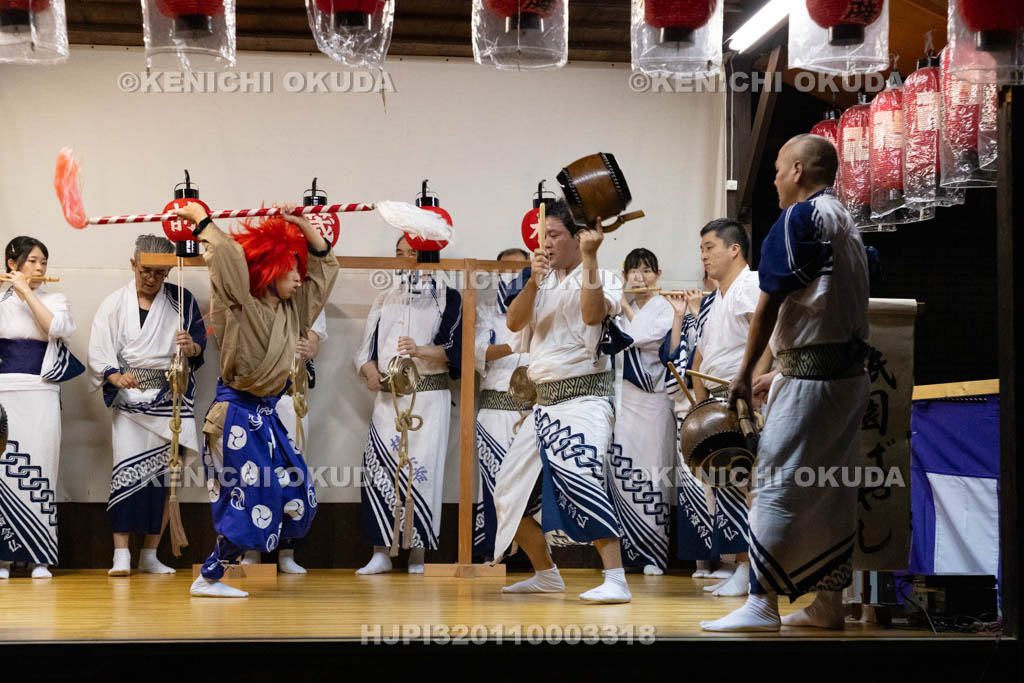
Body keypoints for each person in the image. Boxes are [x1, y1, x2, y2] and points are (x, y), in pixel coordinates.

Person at [701, 134, 870, 631]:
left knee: (770, 483)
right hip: (844, 378)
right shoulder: (845, 221)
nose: (774, 178)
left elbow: (771, 302)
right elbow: (831, 309)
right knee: (832, 489)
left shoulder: (801, 217)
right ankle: (828, 604)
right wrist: (782, 371)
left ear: (798, 170)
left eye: (778, 168)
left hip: (813, 385)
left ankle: (762, 603)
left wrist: (744, 373)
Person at [174, 201, 339, 598]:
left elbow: (323, 270)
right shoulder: (238, 305)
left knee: (297, 489)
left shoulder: (293, 311)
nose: (299, 278)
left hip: (264, 417)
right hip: (233, 415)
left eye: (298, 270)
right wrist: (201, 221)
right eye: (290, 270)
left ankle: (212, 575)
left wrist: (302, 224)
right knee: (252, 496)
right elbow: (229, 257)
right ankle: (210, 578)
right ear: (269, 270)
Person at [499, 199, 631, 603]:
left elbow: (592, 316)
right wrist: (533, 282)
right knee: (508, 492)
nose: (546, 243)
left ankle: (616, 579)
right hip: (543, 403)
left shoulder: (603, 275)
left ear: (579, 238)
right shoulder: (539, 279)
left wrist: (591, 258)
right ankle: (546, 574)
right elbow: (513, 322)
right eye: (542, 236)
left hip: (586, 398)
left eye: (554, 235)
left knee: (581, 477)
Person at [88, 234, 207, 577]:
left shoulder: (181, 300)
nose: (151, 279)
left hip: (171, 398)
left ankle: (151, 554)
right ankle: (121, 553)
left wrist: (191, 347)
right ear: (133, 264)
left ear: (169, 272)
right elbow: (99, 349)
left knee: (165, 481)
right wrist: (114, 376)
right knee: (126, 474)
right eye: (145, 271)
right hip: (129, 400)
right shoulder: (114, 303)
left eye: (159, 273)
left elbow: (199, 346)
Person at [354, 236, 462, 575]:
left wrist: (420, 350)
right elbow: (365, 350)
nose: (402, 259)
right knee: (378, 469)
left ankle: (418, 552)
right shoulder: (385, 297)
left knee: (422, 472)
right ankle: (380, 552)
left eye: (411, 253)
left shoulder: (449, 297)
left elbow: (456, 350)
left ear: (428, 255)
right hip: (389, 398)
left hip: (428, 398)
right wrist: (370, 372)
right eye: (398, 253)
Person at [687, 219, 773, 597]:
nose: (704, 256)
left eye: (710, 247)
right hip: (722, 398)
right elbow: (703, 357)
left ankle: (749, 569)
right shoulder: (719, 297)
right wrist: (701, 403)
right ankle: (741, 566)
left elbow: (767, 333)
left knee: (746, 483)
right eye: (701, 250)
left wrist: (754, 381)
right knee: (729, 485)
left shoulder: (750, 284)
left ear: (734, 249)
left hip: (744, 396)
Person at [0, 237, 82, 580]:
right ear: (12, 264)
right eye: (32, 261)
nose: (39, 268)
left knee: (41, 467)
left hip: (41, 390)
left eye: (43, 262)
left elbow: (56, 328)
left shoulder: (55, 299)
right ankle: (3, 558)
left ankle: (40, 557)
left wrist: (26, 292)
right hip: (4, 392)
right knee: (3, 470)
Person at [605, 248, 675, 575]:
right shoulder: (621, 308)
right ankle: (625, 554)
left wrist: (623, 306)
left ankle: (654, 555)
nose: (640, 277)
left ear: (658, 275)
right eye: (634, 270)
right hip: (623, 400)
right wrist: (621, 306)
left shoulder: (665, 308)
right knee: (621, 473)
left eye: (647, 270)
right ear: (625, 276)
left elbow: (638, 337)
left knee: (652, 474)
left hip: (653, 400)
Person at [241, 308, 327, 574]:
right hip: (254, 397)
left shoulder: (309, 298)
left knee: (292, 474)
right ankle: (252, 549)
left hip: (291, 398)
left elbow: (314, 343)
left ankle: (287, 551)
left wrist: (308, 347)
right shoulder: (253, 298)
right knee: (254, 474)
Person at [473, 247, 530, 563]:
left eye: (520, 269)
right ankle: (493, 553)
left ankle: (532, 557)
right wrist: (513, 345)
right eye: (506, 269)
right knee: (495, 481)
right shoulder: (484, 310)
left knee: (529, 484)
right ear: (496, 273)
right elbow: (476, 353)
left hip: (532, 409)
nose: (513, 275)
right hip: (495, 408)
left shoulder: (541, 308)